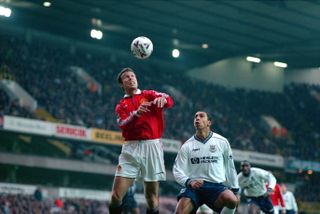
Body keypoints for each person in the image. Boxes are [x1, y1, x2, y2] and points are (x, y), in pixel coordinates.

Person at [109, 67, 174, 214]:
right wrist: (136, 114)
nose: (131, 78)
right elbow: (123, 125)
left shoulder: (149, 94)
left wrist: (163, 99)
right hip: (130, 149)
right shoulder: (121, 106)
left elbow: (169, 100)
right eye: (127, 77)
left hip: (152, 147)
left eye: (133, 76)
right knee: (115, 196)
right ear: (122, 84)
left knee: (151, 198)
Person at [173, 111, 239, 214]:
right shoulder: (187, 145)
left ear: (209, 122)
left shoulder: (222, 142)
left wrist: (235, 189)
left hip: (215, 187)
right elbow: (177, 170)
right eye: (195, 117)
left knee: (232, 200)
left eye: (201, 116)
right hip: (194, 187)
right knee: (179, 212)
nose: (197, 118)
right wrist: (190, 182)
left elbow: (230, 167)